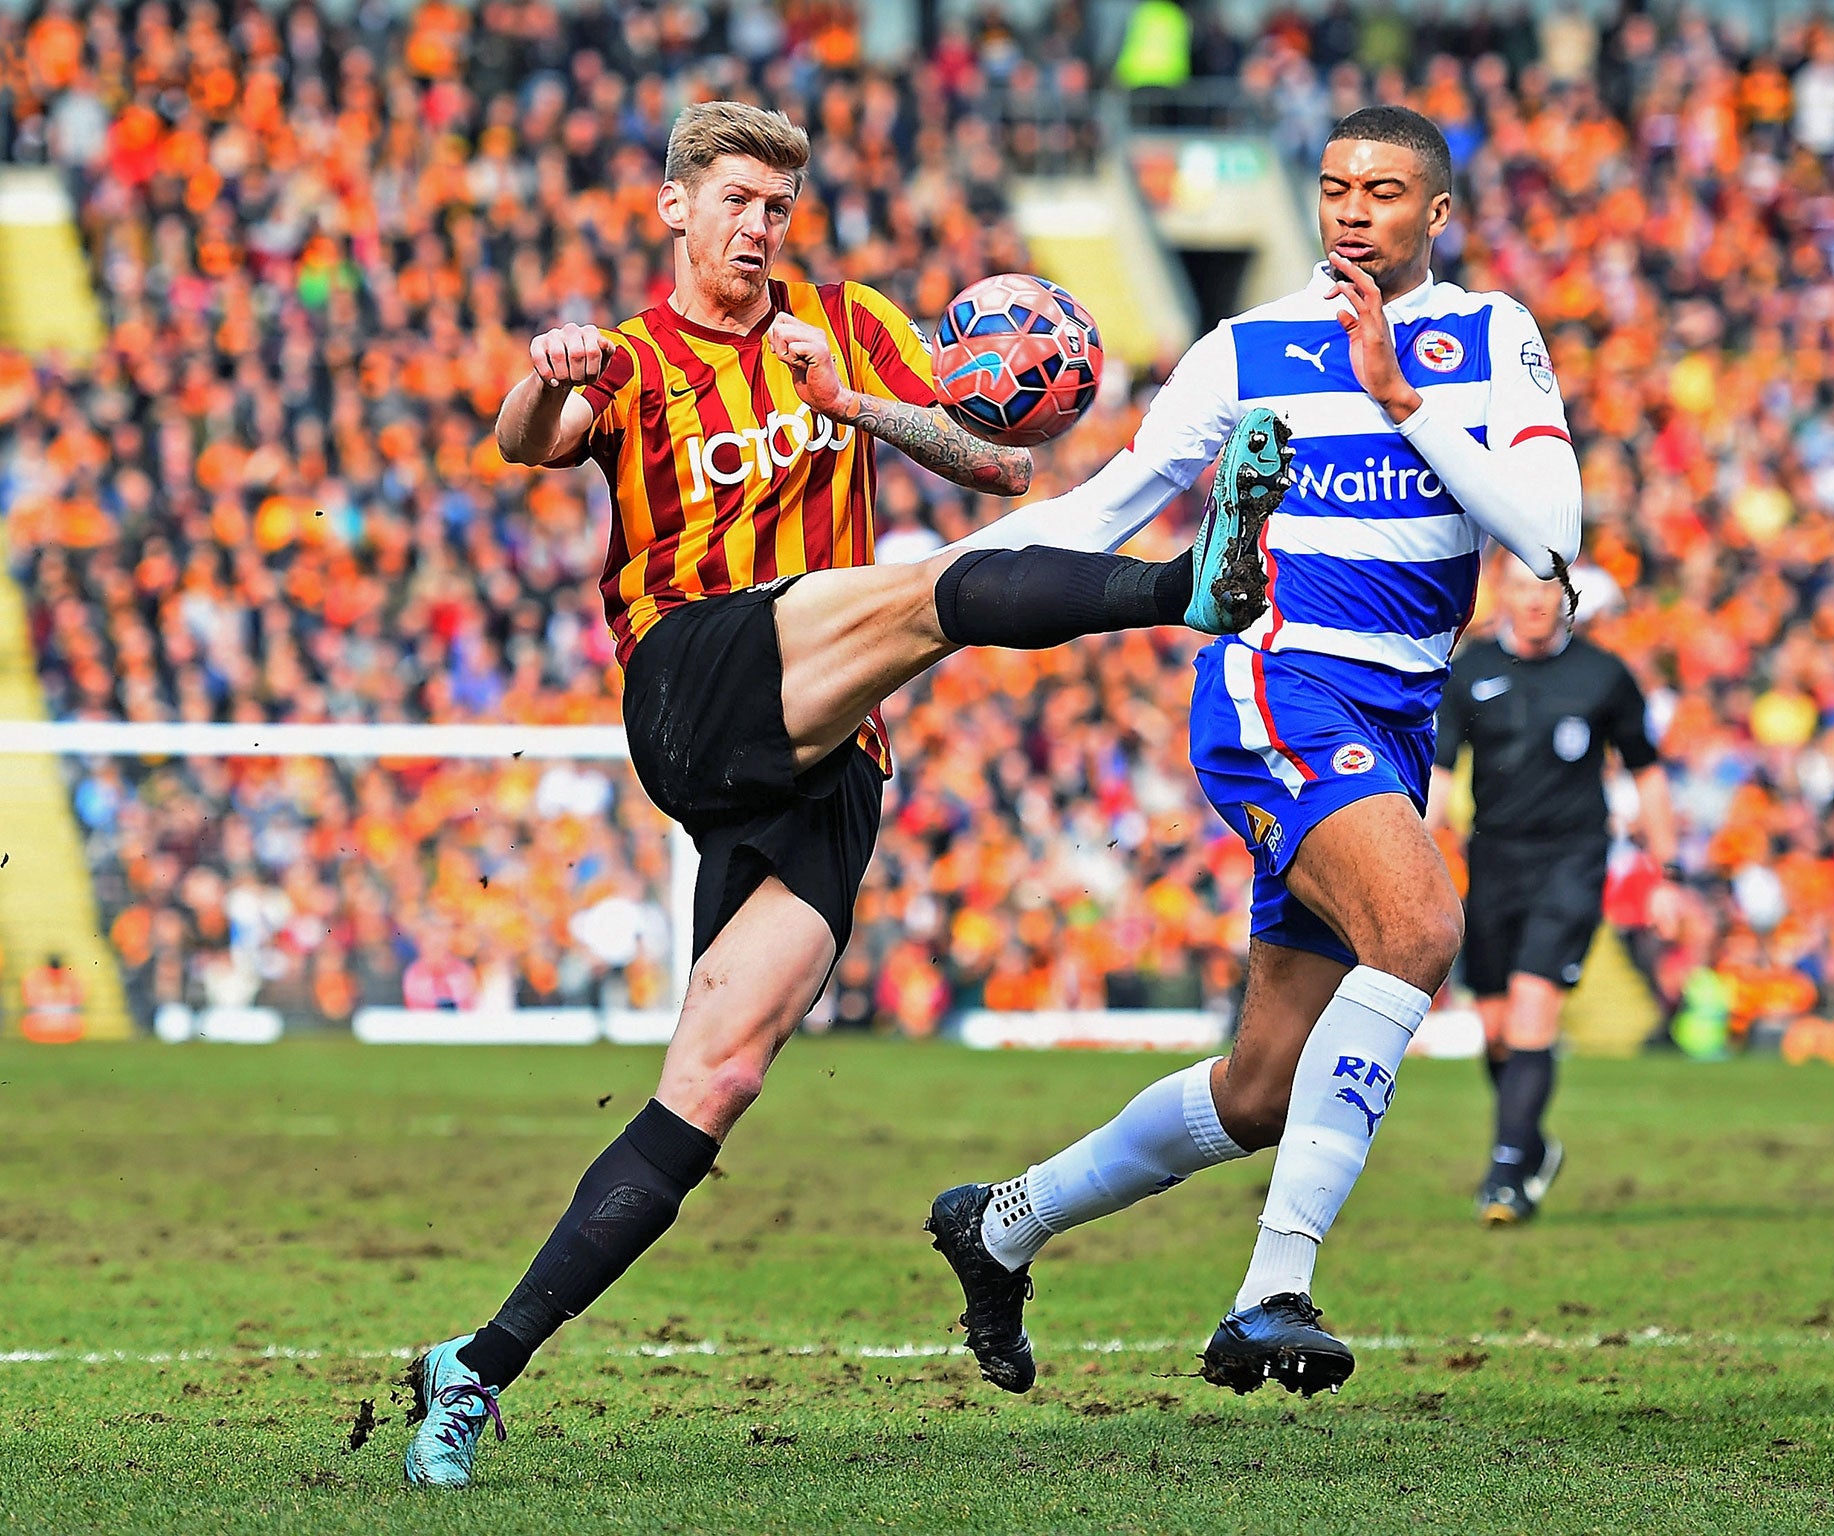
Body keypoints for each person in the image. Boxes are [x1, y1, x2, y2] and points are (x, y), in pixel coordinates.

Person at [403, 100, 1283, 1487]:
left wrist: (851, 403)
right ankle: (1189, 587)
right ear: (675, 210)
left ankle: (472, 1368)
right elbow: (529, 439)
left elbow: (1004, 466)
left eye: (779, 208)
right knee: (927, 595)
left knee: (717, 1080)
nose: (760, 228)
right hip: (697, 676)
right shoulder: (635, 357)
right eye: (738, 202)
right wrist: (543, 369)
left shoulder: (845, 325)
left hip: (821, 751)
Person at [925, 104, 1581, 1397]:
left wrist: (1407, 402)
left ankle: (1000, 1223)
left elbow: (1551, 528)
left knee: (1262, 1091)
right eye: (1335, 187)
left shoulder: (1493, 339)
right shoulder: (1248, 351)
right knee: (1420, 931)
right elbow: (1111, 507)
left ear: (1436, 216)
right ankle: (1274, 1288)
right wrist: (921, 585)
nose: (1352, 210)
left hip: (1394, 723)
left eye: (1383, 192)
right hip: (1279, 693)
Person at [1427, 555, 1676, 1225]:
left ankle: (1506, 1175)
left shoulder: (1604, 675)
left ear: (1566, 598)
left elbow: (1648, 774)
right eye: (1521, 588)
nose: (1534, 602)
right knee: (1498, 1031)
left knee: (1535, 1011)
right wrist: (1415, 853)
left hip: (1572, 861)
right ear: (1501, 594)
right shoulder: (1470, 671)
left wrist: (1667, 874)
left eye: (1546, 589)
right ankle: (1533, 1147)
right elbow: (1441, 775)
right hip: (1493, 863)